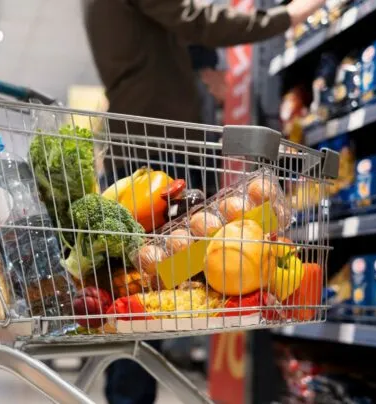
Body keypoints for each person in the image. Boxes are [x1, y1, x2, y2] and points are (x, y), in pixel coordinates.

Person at [83, 1, 326, 403]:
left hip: (138, 146)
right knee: (147, 301)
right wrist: (289, 16)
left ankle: (127, 396)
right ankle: (129, 398)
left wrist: (198, 68)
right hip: (156, 156)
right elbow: (197, 21)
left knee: (143, 298)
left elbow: (155, 35)